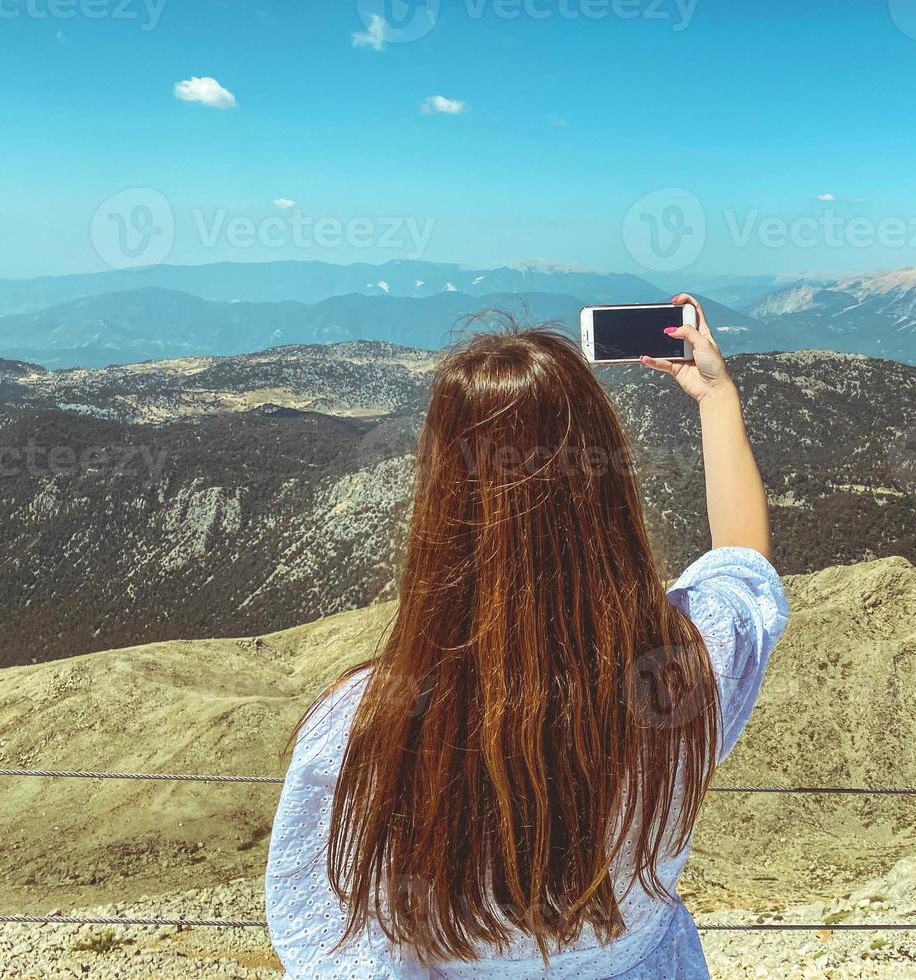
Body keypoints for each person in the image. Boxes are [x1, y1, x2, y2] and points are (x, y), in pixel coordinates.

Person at [265, 294, 788, 978]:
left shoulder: (366, 724)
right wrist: (715, 399)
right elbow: (745, 563)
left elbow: (335, 940)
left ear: (441, 496)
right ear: (609, 488)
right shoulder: (690, 670)